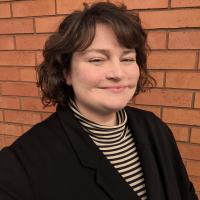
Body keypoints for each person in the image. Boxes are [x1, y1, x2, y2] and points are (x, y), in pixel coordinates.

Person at [0, 1, 198, 200]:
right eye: (97, 59)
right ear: (66, 72)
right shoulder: (22, 164)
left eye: (127, 59)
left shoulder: (155, 129)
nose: (117, 73)